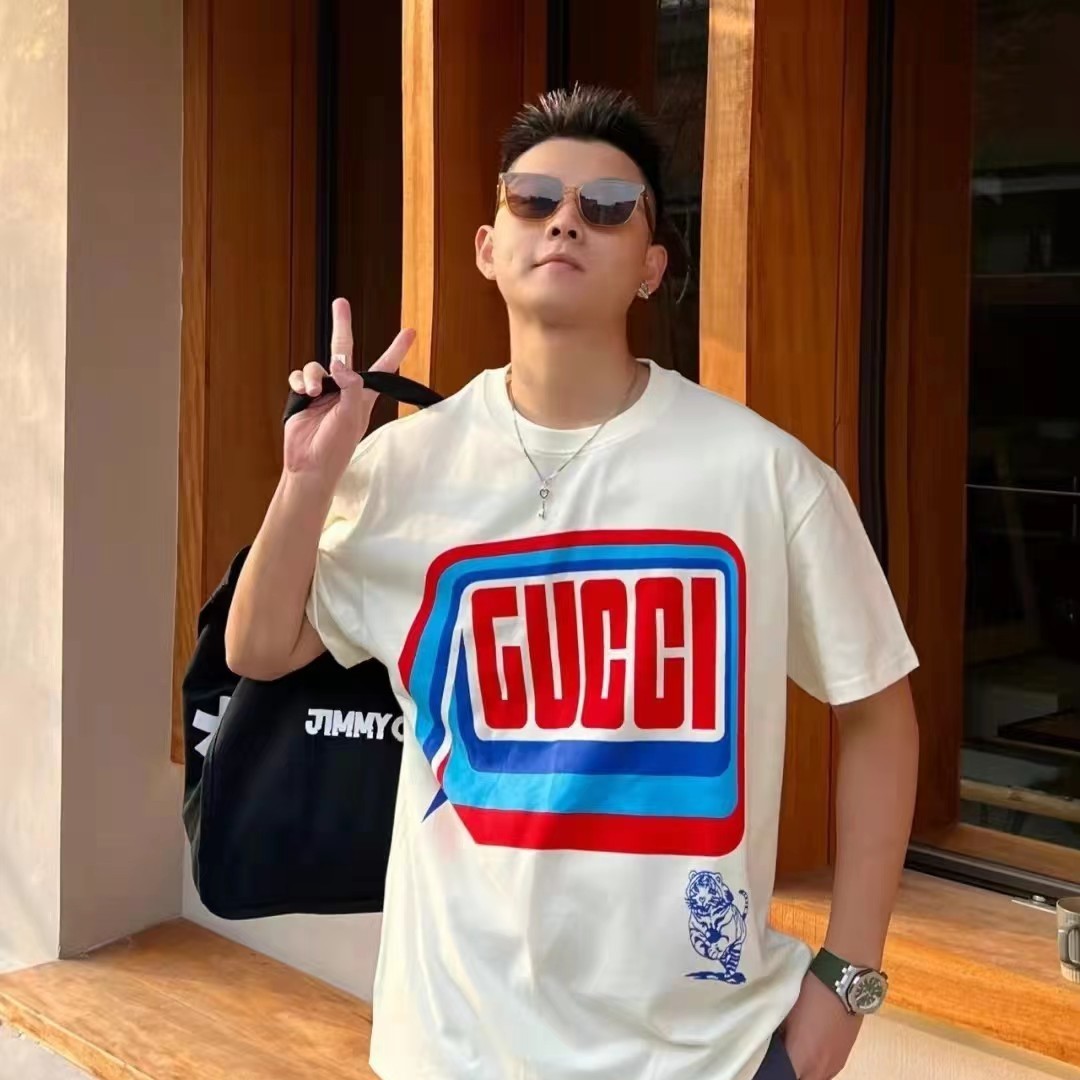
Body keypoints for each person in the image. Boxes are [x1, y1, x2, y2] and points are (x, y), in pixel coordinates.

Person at [225, 84, 920, 1080]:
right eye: (534, 198)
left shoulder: (762, 474)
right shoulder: (401, 469)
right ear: (487, 246)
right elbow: (260, 648)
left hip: (705, 1055)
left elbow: (879, 710)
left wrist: (846, 985)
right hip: (451, 1047)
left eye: (608, 206)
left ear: (652, 266)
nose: (565, 221)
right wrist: (306, 481)